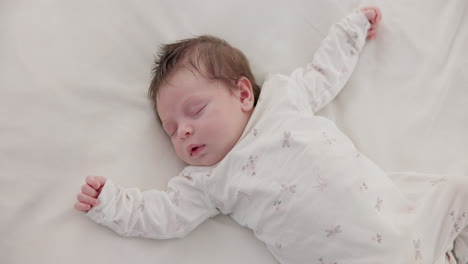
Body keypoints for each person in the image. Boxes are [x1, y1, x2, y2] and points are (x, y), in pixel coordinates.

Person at [75, 6, 468, 263]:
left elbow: (324, 72)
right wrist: (111, 203)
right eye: (172, 130)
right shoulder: (206, 181)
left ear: (243, 94)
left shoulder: (283, 99)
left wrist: (351, 32)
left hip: (409, 226)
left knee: (457, 192)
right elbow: (161, 215)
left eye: (195, 111)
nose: (184, 131)